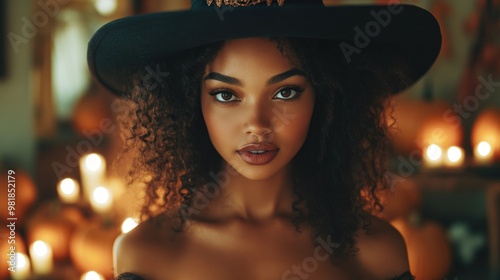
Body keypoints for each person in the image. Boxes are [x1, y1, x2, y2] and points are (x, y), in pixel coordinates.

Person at [87, 0, 441, 279]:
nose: (257, 125)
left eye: (286, 92)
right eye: (226, 95)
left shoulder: (377, 253)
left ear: (327, 97)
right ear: (190, 103)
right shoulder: (145, 254)